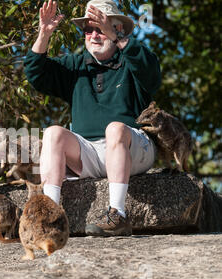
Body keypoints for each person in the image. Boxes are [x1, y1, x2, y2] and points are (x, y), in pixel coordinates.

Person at [24, 0, 161, 236]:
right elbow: (36, 74)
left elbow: (151, 74)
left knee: (115, 129)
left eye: (102, 28)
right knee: (53, 133)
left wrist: (117, 39)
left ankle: (117, 214)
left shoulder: (132, 60)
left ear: (118, 30)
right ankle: (51, 218)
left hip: (133, 148)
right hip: (89, 153)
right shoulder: (76, 65)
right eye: (89, 30)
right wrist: (44, 34)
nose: (94, 35)